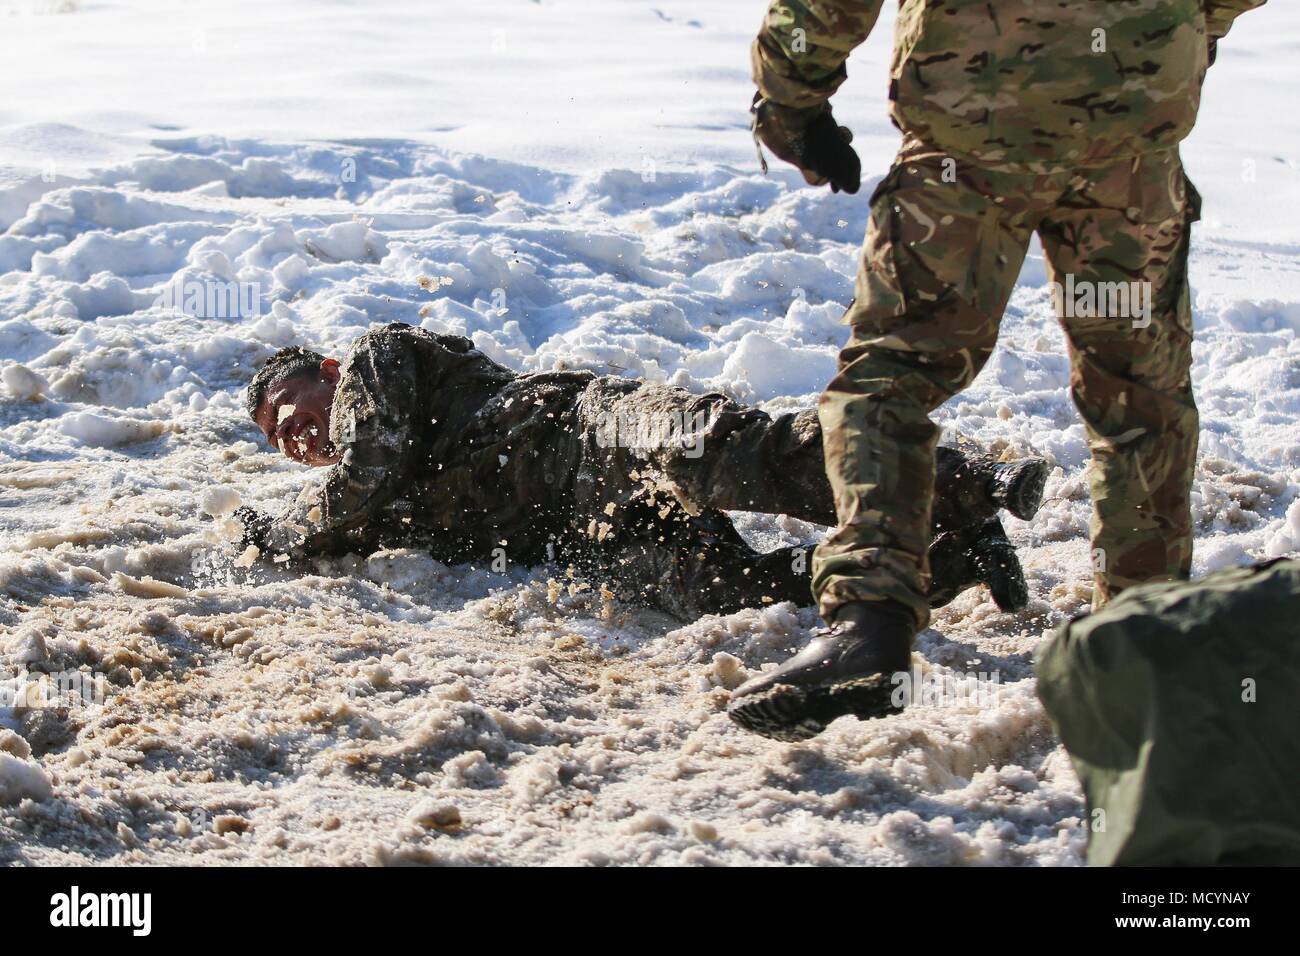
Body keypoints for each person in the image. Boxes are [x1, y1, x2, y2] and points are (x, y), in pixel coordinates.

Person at [728, 0, 1267, 740]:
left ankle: (869, 625)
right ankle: (1145, 642)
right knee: (1141, 398)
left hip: (972, 122)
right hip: (1126, 132)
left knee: (891, 374)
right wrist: (1171, 43)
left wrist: (791, 100)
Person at [236, 322, 1047, 624]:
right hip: (588, 530)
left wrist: (290, 531)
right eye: (278, 441)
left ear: (328, 370)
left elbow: (367, 466)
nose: (294, 435)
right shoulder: (363, 508)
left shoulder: (379, 361)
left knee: (748, 456)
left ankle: (970, 485)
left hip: (595, 431)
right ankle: (954, 559)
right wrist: (277, 541)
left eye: (289, 407)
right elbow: (340, 528)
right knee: (734, 597)